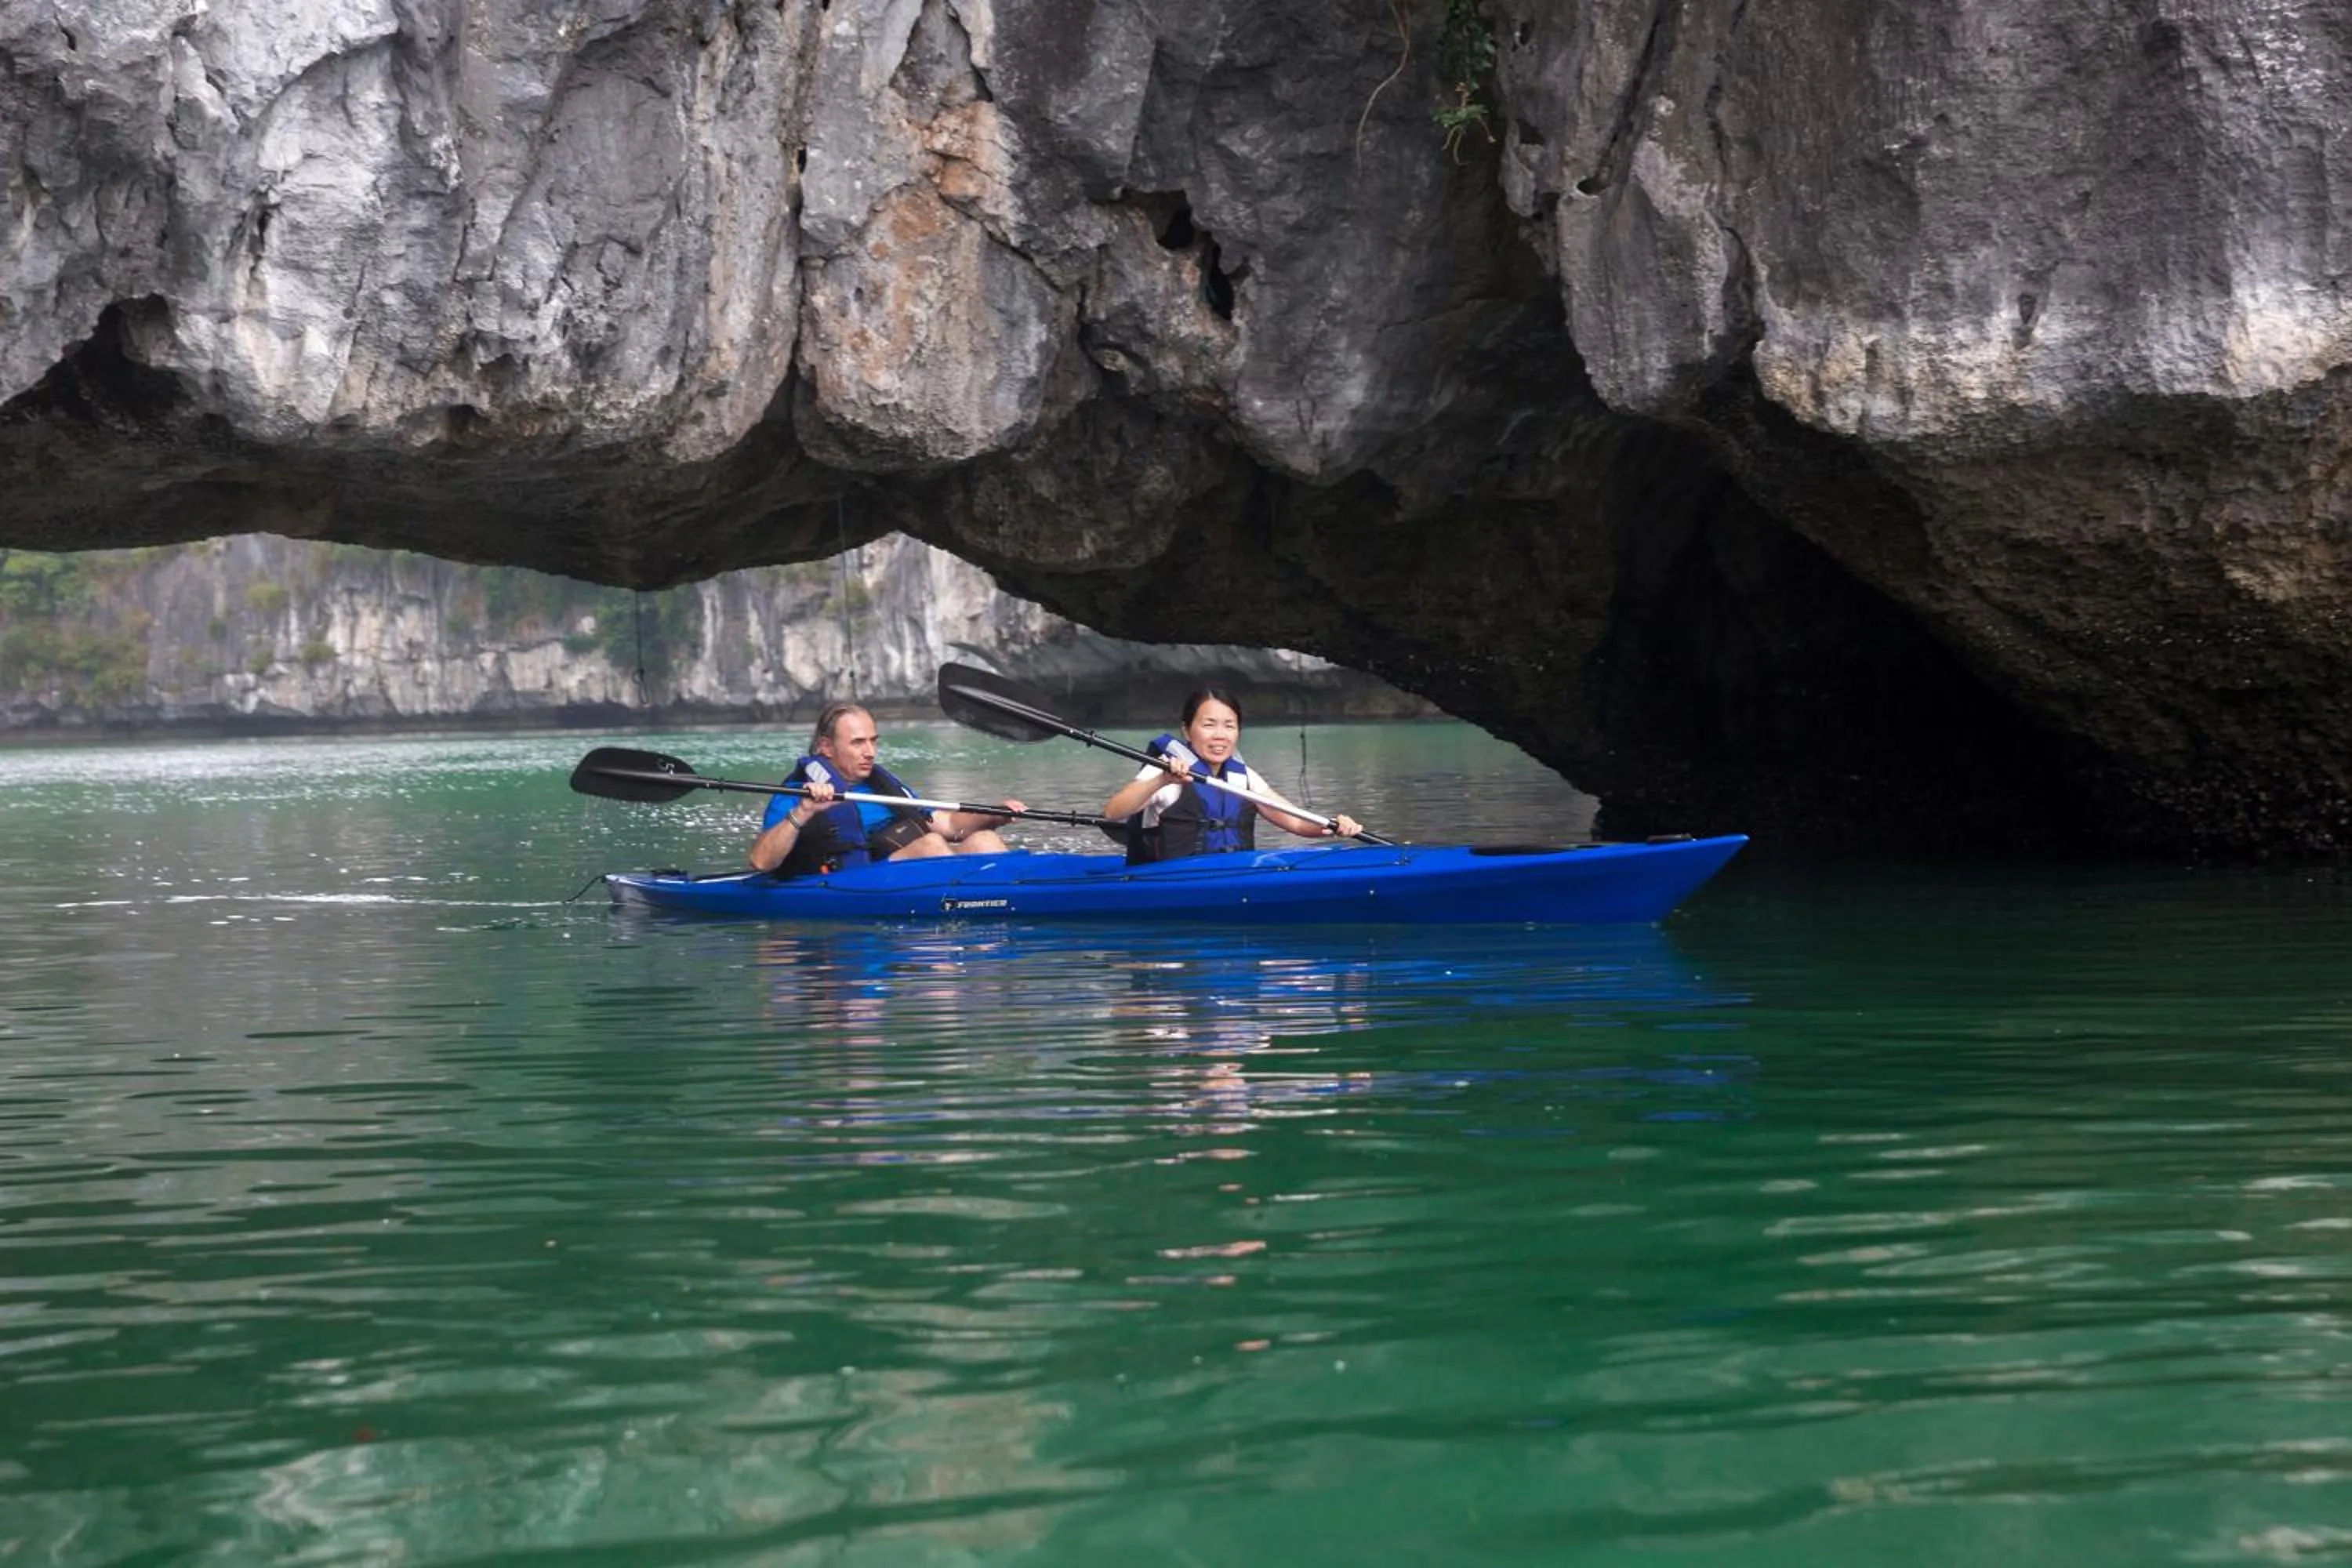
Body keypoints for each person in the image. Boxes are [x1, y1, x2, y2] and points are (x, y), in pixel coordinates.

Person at [750, 702, 1024, 877]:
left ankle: (1002, 909)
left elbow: (949, 824)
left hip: (913, 868)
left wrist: (994, 814)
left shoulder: (884, 786)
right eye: (858, 743)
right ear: (826, 747)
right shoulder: (798, 793)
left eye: (873, 741)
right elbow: (762, 862)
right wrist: (804, 810)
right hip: (853, 879)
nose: (870, 752)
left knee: (984, 840)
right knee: (930, 846)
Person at [1102, 688, 1362, 864]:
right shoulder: (1166, 768)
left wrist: (1333, 827)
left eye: (1229, 726)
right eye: (1208, 725)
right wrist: (1162, 780)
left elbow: (1296, 823)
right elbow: (1114, 812)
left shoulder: (1244, 777)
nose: (1220, 735)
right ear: (1186, 729)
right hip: (1171, 878)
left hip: (1233, 873)